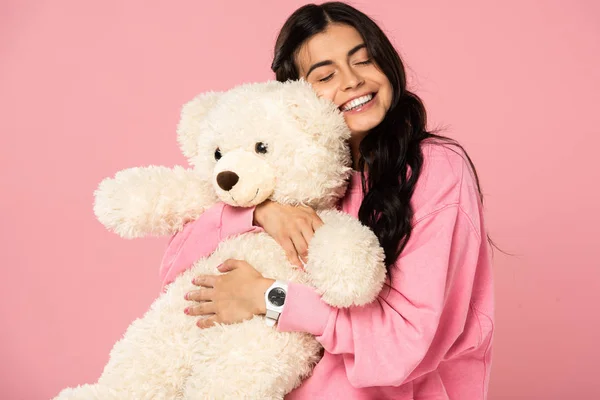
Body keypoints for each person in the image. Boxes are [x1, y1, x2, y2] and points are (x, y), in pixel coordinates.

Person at [170, 2, 494, 399]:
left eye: (364, 61)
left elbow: (404, 345)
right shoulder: (279, 171)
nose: (353, 81)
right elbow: (177, 269)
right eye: (326, 75)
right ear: (296, 96)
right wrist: (260, 212)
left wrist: (267, 297)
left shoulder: (434, 170)